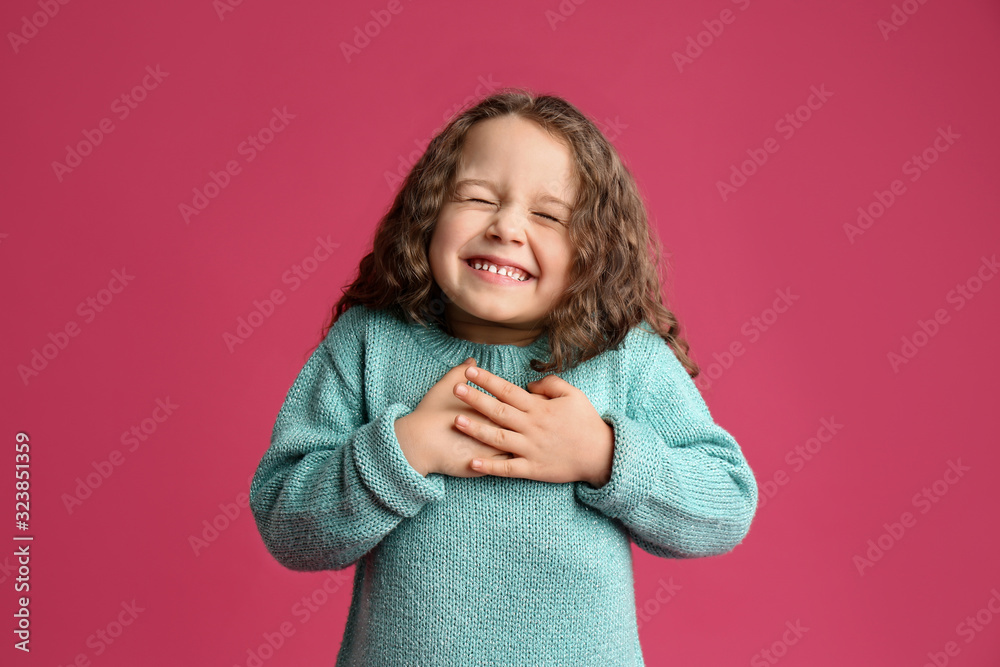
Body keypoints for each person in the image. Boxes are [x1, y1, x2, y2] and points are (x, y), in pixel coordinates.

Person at [248, 87, 759, 666]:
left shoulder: (624, 357)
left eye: (547, 214)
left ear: (597, 249)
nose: (506, 228)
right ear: (429, 212)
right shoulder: (372, 343)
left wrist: (603, 455)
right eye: (476, 197)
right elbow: (286, 523)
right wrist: (401, 452)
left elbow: (726, 505)